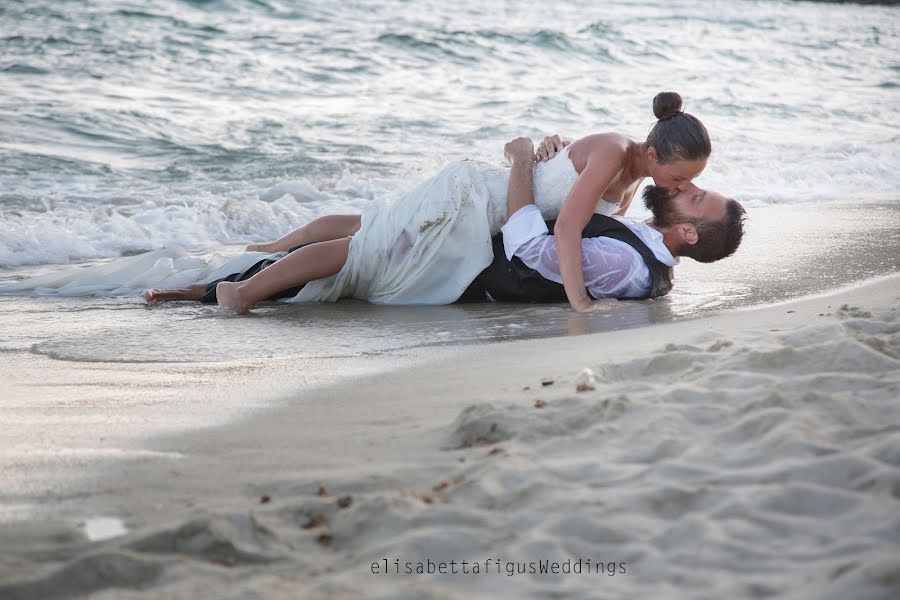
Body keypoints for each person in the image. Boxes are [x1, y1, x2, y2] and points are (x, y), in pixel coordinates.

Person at [143, 137, 745, 313]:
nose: (683, 188)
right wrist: (524, 158)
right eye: (684, 179)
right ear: (658, 154)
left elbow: (565, 218)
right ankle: (242, 289)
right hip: (470, 203)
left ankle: (252, 270)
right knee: (370, 248)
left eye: (690, 189)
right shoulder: (616, 156)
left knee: (372, 231)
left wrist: (549, 158)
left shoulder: (634, 181)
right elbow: (560, 229)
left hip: (480, 217)